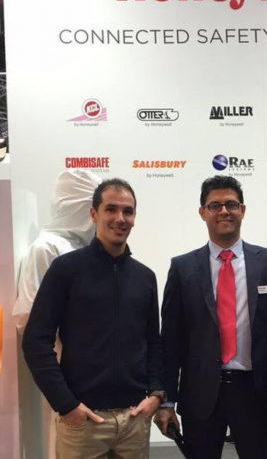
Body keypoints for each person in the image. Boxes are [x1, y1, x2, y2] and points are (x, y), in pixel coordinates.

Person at [23, 178, 164, 459]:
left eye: (127, 211)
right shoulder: (65, 270)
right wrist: (66, 404)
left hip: (135, 420)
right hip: (83, 422)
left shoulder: (145, 277)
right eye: (111, 209)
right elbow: (35, 341)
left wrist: (156, 394)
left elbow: (153, 342)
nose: (120, 218)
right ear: (93, 214)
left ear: (134, 218)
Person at [155, 175, 267, 459]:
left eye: (231, 204)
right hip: (200, 394)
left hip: (255, 393)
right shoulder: (182, 268)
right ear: (202, 212)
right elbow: (171, 341)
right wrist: (166, 402)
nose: (224, 211)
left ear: (243, 210)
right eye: (215, 205)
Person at [13, 168, 101, 459]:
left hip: (92, 372)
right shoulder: (46, 248)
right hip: (63, 371)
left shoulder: (86, 248)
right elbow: (31, 319)